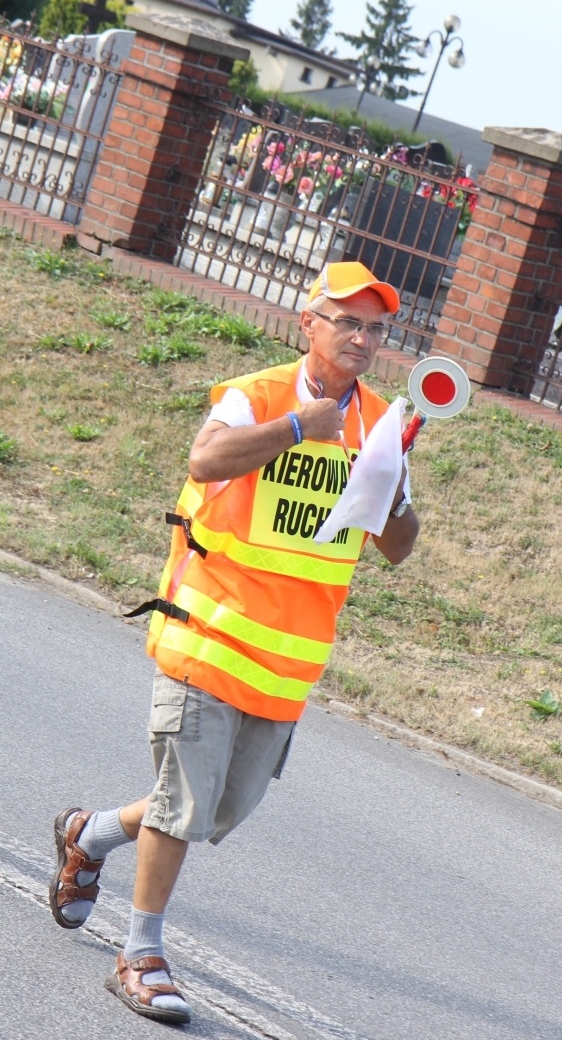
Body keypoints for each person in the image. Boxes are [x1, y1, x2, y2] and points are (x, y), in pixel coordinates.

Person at [49, 262, 421, 1025]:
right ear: (308, 323)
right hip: (209, 635)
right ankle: (140, 954)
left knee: (213, 811)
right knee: (183, 805)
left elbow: (399, 546)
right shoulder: (256, 395)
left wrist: (388, 484)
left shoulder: (381, 422)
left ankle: (88, 834)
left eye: (375, 328)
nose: (361, 338)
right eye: (347, 321)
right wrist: (299, 429)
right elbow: (206, 460)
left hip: (287, 663)